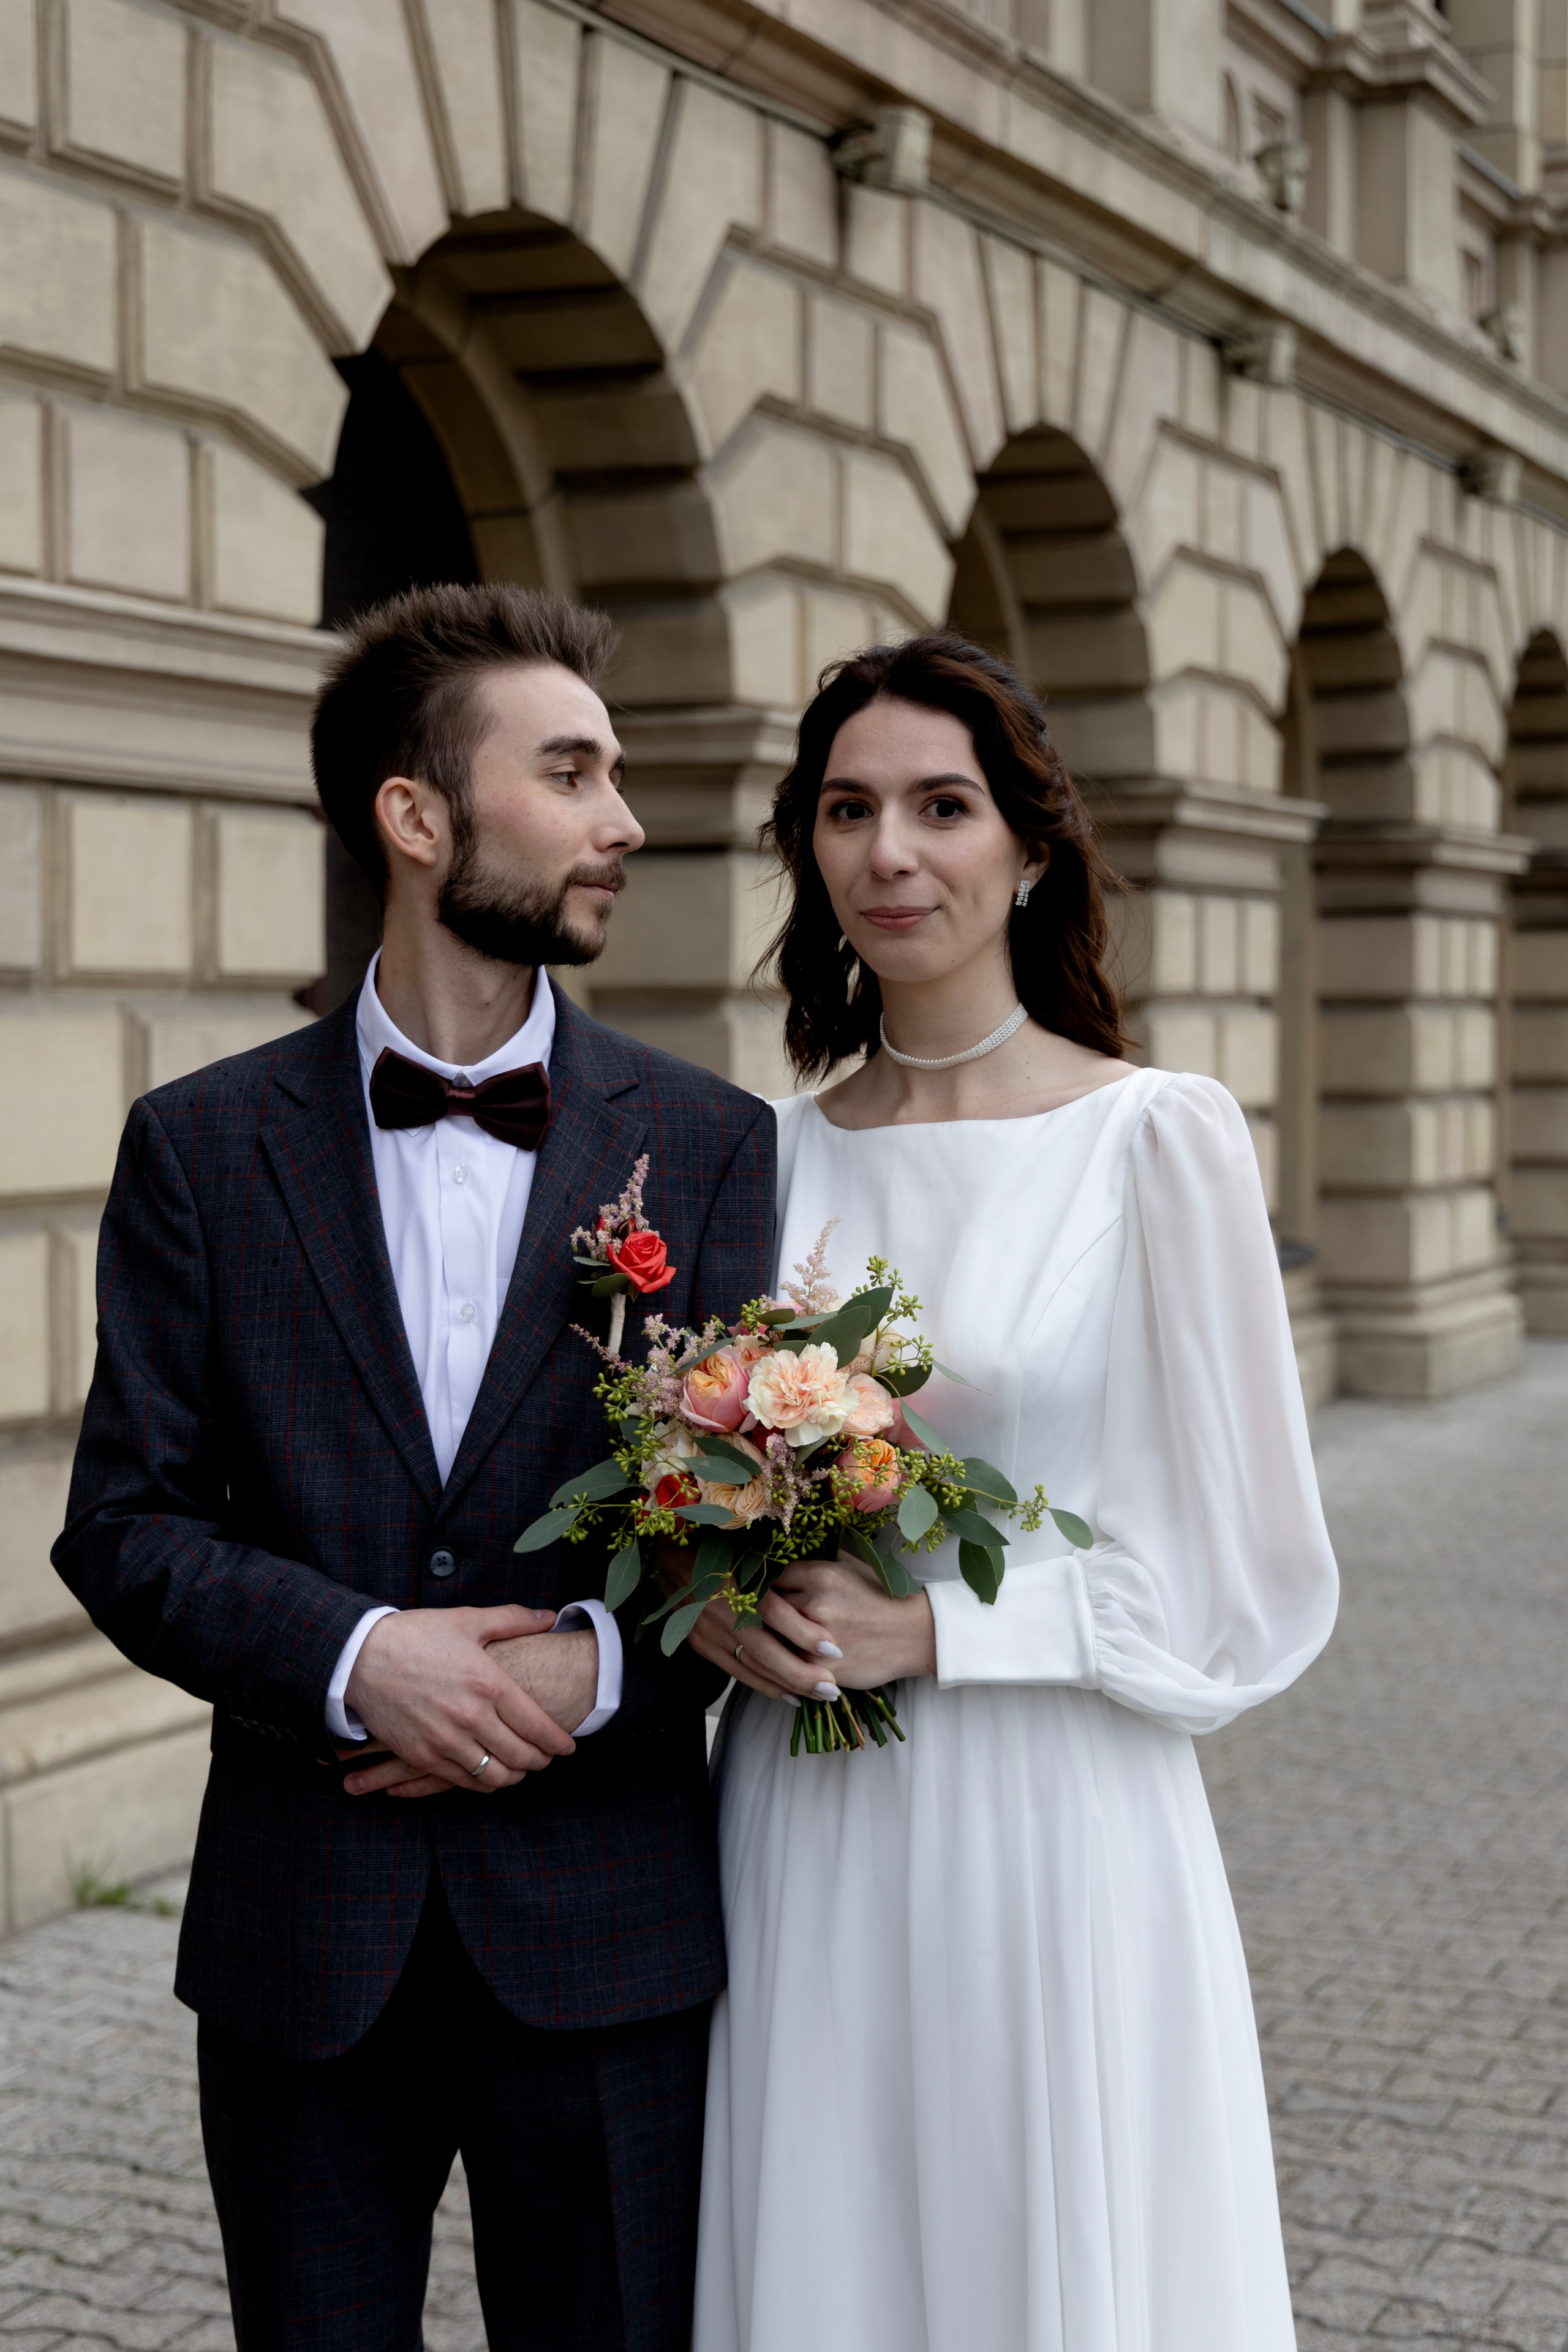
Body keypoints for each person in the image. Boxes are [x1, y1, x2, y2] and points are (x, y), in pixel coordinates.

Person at [53, 584, 774, 2352]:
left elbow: (757, 1524)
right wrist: (363, 1658)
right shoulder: (203, 1145)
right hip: (308, 1942)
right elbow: (125, 1526)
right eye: (575, 774)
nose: (626, 824)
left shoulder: (706, 1143)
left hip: (605, 1933)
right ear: (417, 815)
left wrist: (584, 1669)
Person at [688, 632, 1338, 2352]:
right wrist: (725, 1597)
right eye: (846, 810)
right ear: (809, 854)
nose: (889, 851)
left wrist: (945, 1631)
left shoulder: (1155, 1139)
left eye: (940, 805)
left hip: (1047, 1802)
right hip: (804, 1809)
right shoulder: (768, 1152)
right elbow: (697, 1473)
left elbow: (1251, 1570)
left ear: (1029, 847)